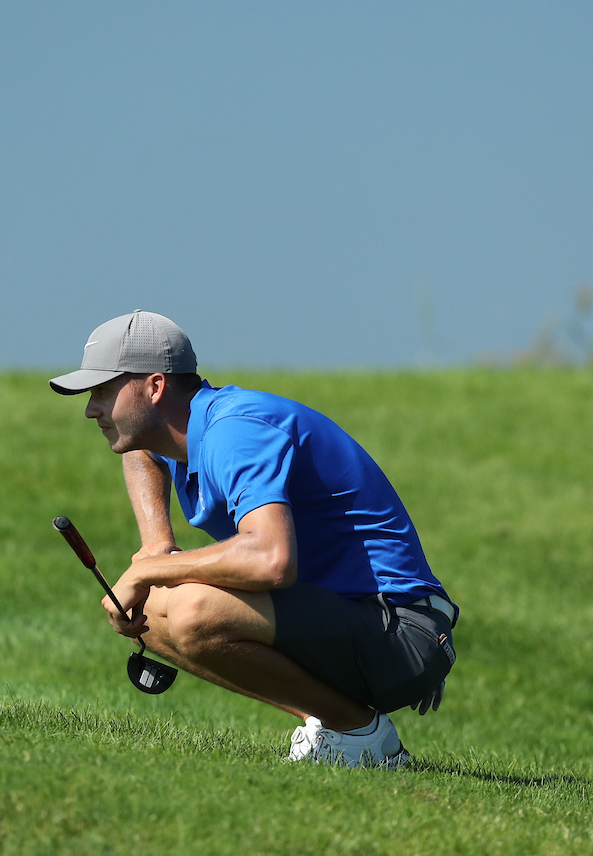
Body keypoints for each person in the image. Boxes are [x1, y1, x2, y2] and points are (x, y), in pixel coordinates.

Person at [49, 310, 457, 768]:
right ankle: (340, 724)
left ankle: (360, 734)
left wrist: (148, 569)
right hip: (356, 620)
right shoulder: (184, 428)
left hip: (404, 631)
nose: (90, 408)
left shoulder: (234, 430)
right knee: (147, 610)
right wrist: (156, 544)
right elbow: (142, 452)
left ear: (155, 387)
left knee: (192, 609)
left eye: (103, 391)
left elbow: (271, 559)